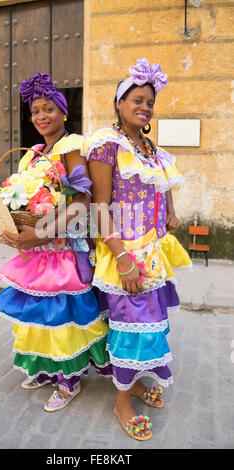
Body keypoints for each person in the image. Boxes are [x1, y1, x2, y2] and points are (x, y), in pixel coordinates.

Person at [83, 58, 192, 440]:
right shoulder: (106, 143)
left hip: (152, 249)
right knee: (135, 329)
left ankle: (133, 382)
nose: (144, 107)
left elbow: (162, 185)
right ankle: (122, 401)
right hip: (124, 251)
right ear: (119, 103)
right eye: (137, 100)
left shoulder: (148, 147)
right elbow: (99, 207)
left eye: (149, 102)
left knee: (148, 325)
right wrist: (123, 258)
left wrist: (172, 211)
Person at [0, 72, 111, 412]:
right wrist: (15, 230)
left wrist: (40, 235)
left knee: (62, 318)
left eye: (48, 109)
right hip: (36, 252)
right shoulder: (32, 154)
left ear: (63, 113)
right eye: (35, 111)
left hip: (62, 251)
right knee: (37, 315)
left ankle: (68, 380)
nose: (41, 116)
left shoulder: (71, 147)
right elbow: (20, 199)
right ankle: (45, 368)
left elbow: (82, 203)